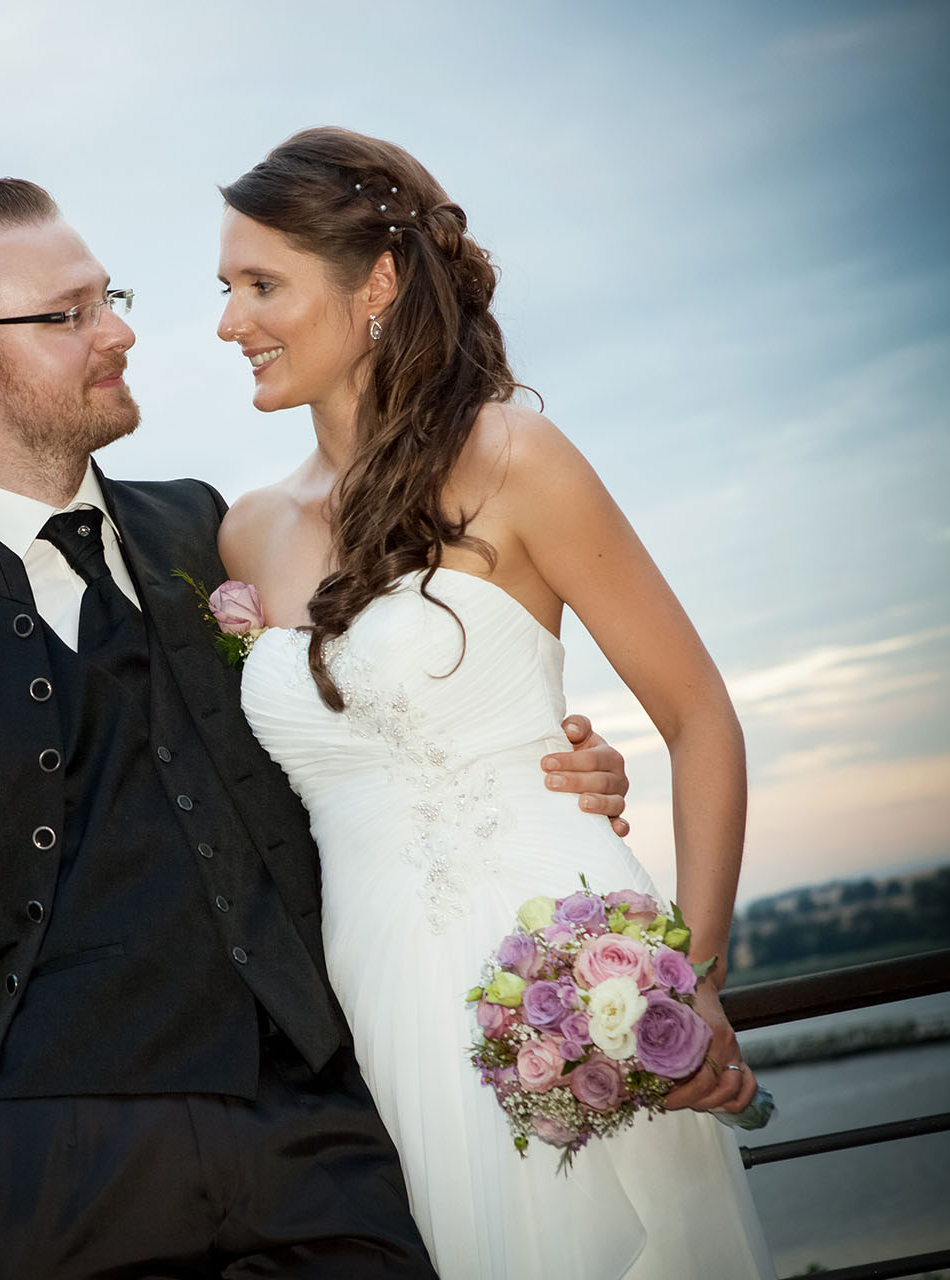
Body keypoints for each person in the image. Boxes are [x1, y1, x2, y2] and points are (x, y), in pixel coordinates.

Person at [0, 176, 631, 1279]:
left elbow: (361, 728)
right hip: (52, 1185)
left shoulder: (207, 529)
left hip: (316, 1137)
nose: (118, 332)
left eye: (110, 298)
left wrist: (539, 763)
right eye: (69, 314)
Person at [218, 127, 774, 1280]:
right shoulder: (246, 532)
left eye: (262, 285)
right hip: (372, 993)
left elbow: (699, 717)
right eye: (225, 289)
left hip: (559, 976)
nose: (231, 323)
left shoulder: (514, 456)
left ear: (376, 282)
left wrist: (696, 978)